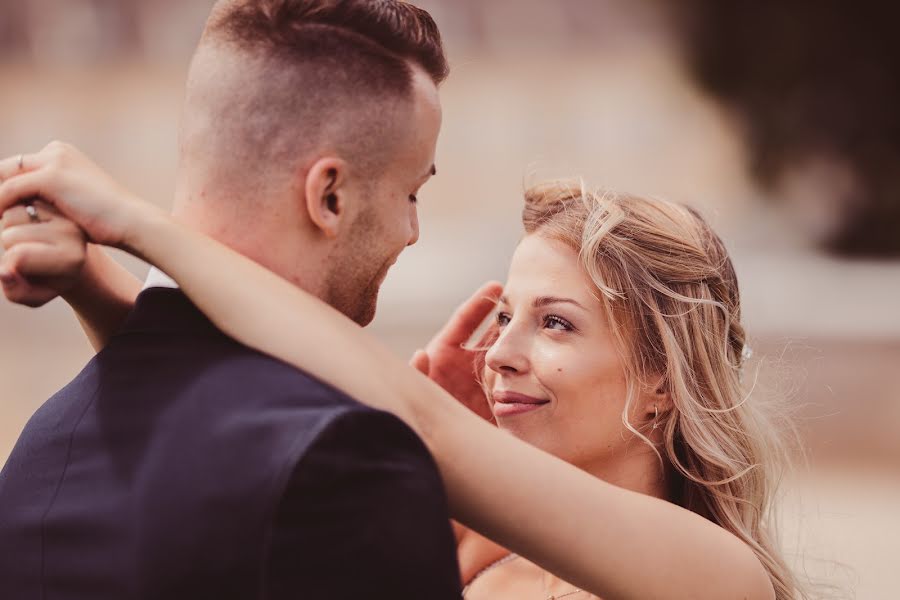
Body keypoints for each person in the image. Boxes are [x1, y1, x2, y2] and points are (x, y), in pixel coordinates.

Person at [0, 144, 798, 598]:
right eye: (504, 316)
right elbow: (228, 440)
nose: (501, 354)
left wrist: (139, 227)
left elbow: (410, 417)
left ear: (664, 377)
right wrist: (93, 285)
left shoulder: (719, 577)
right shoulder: (481, 553)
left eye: (555, 323)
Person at [0, 1, 465, 598]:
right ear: (329, 196)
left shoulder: (37, 453)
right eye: (411, 193)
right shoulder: (346, 461)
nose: (412, 231)